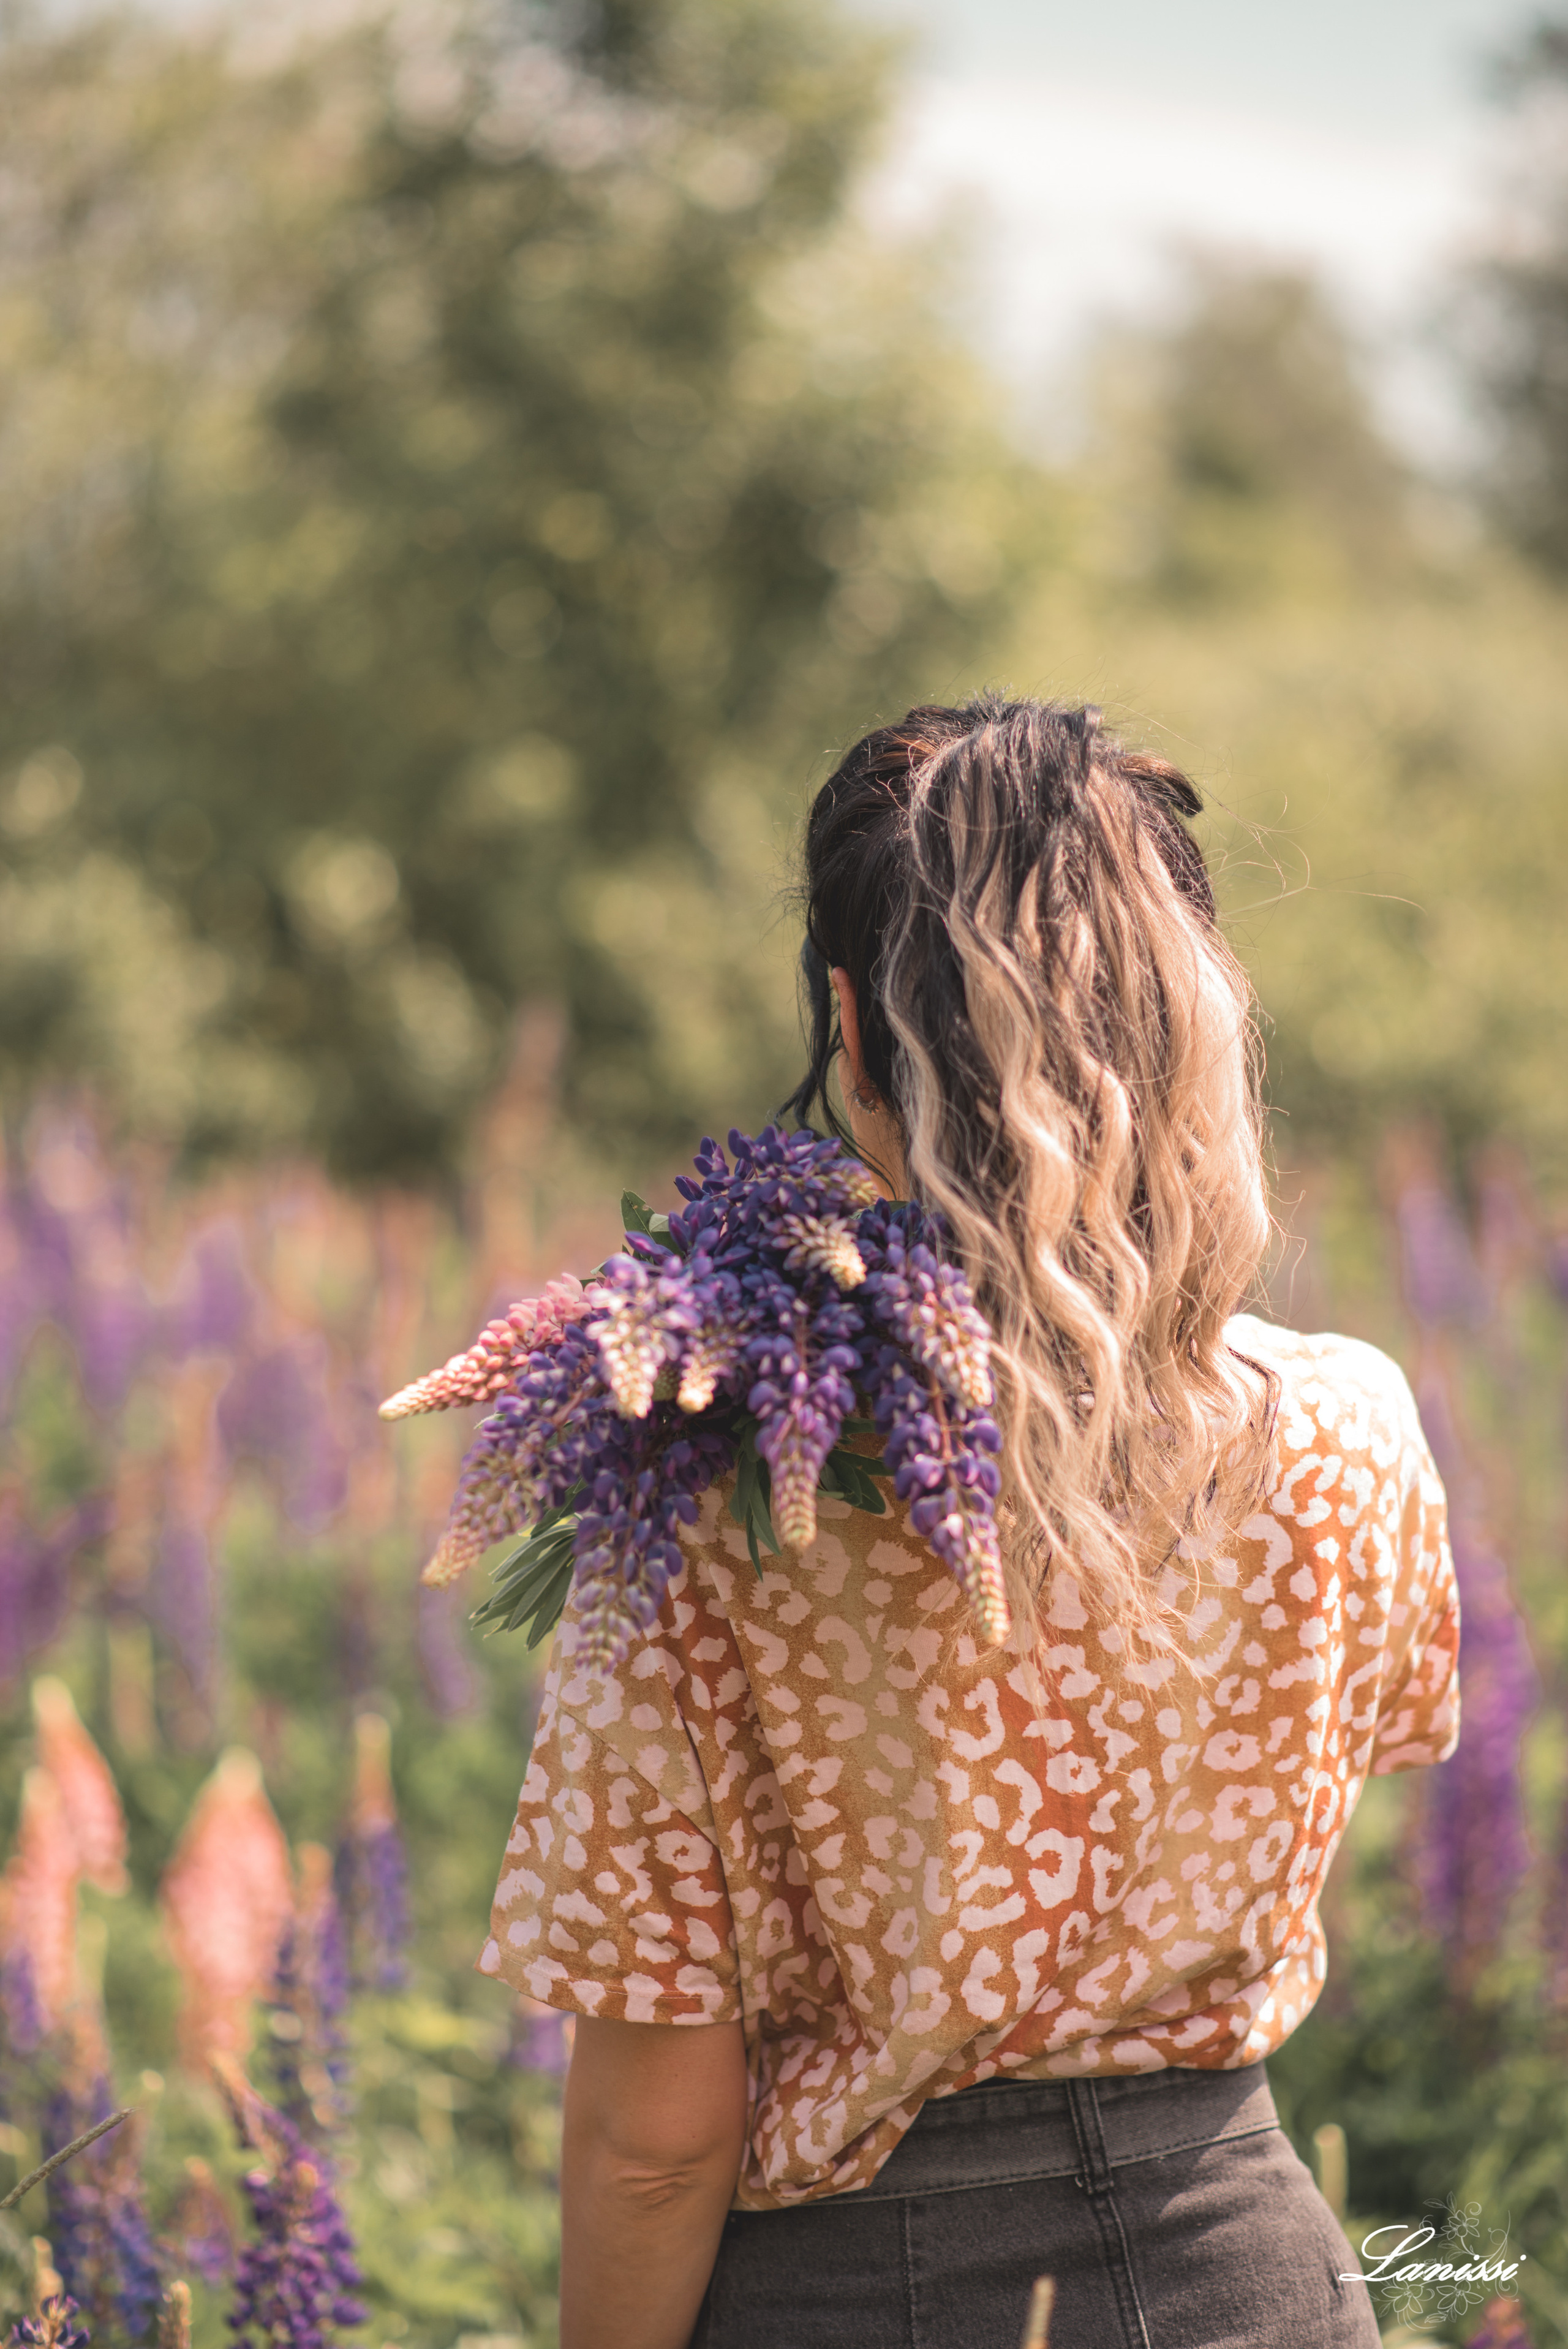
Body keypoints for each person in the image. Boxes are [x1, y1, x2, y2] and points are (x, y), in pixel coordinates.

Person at [478, 698, 1460, 2349]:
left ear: (855, 1034)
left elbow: (656, 2142)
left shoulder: (710, 1482)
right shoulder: (1351, 1423)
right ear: (1191, 1025)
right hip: (1256, 2268)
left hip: (867, 2291)